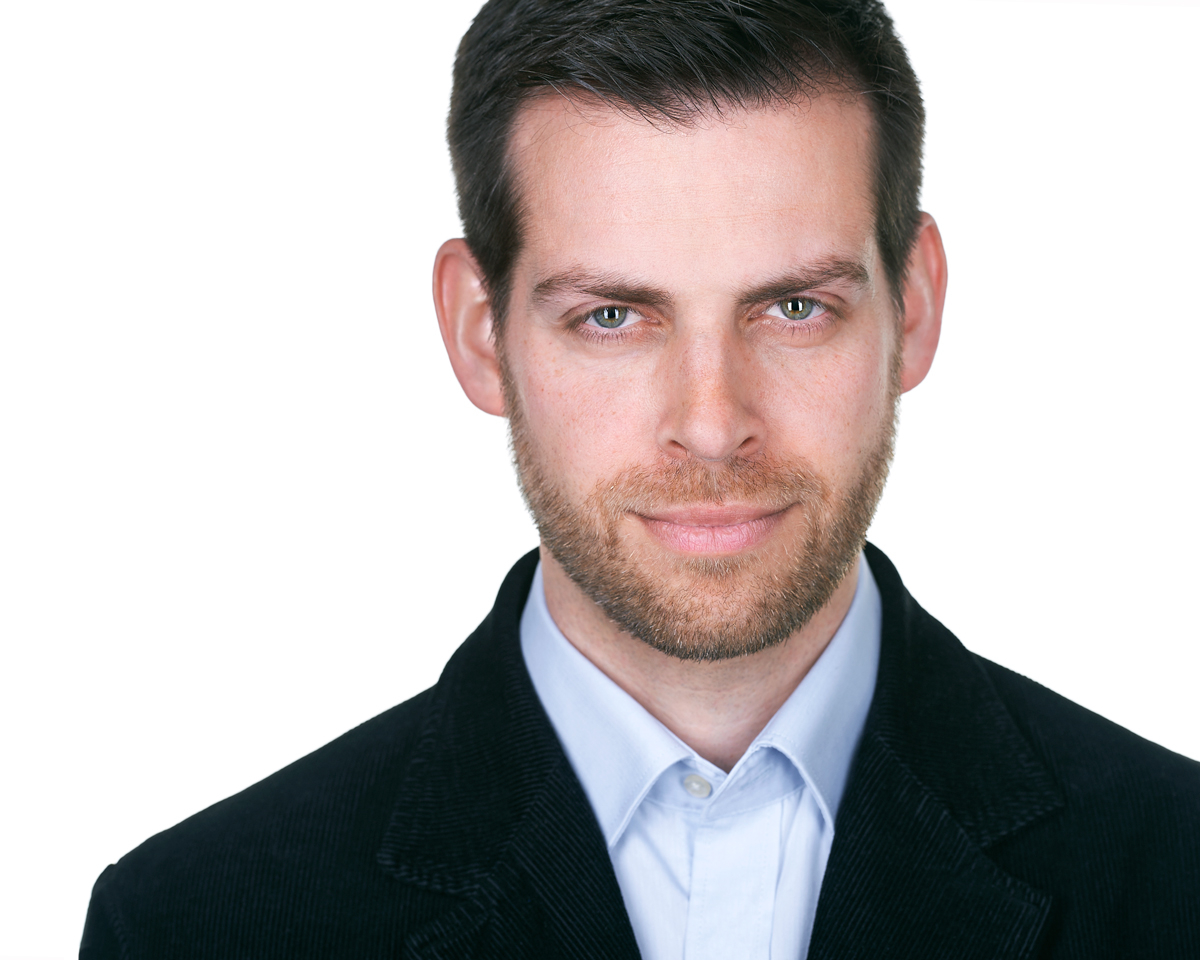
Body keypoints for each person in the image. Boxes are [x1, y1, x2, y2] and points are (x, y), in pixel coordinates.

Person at [80, 0, 1199, 957]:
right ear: (479, 333)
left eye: (794, 307)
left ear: (913, 307)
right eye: (612, 317)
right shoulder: (190, 926)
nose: (710, 427)